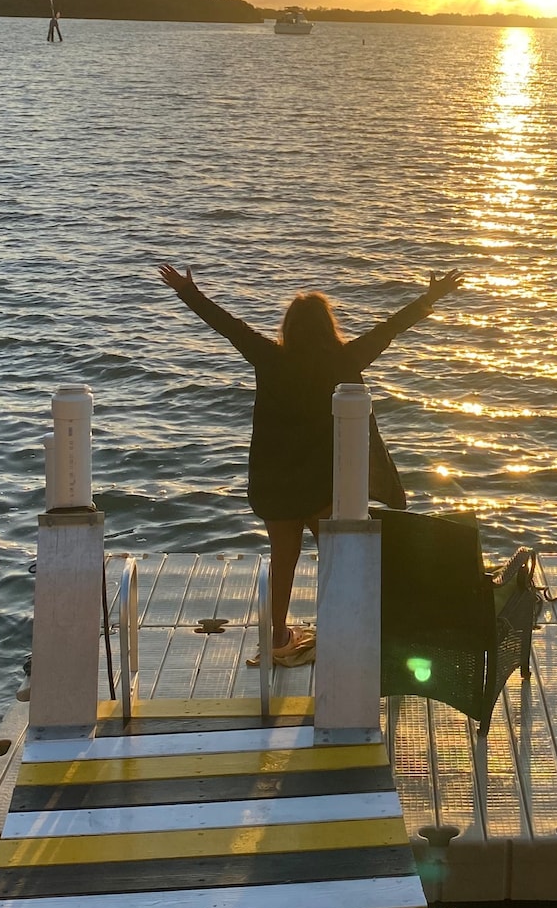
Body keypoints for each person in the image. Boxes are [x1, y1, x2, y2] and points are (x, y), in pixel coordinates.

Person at [157, 263, 464, 664]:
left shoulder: (268, 358)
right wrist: (431, 298)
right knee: (339, 560)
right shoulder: (345, 359)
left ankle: (279, 639)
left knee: (283, 560)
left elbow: (227, 325)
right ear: (327, 327)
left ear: (289, 329)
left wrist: (187, 291)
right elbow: (390, 329)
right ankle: (345, 632)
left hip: (275, 483)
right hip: (323, 485)